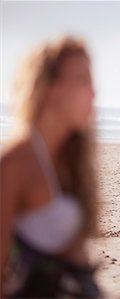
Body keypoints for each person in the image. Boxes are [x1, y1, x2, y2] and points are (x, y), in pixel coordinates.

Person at [1, 36, 101, 297]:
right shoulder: (14, 163)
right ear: (50, 88)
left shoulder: (70, 159)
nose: (94, 92)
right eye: (83, 80)